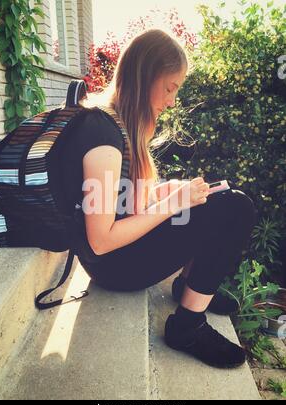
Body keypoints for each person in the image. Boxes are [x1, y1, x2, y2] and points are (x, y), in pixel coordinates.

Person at [52, 29, 256, 369]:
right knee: (235, 208)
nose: (173, 101)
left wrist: (175, 191)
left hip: (119, 258)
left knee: (222, 196)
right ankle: (187, 327)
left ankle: (190, 286)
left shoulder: (113, 122)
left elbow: (126, 200)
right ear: (146, 77)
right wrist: (174, 203)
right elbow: (101, 241)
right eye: (170, 88)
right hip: (115, 268)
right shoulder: (101, 137)